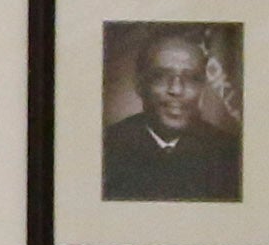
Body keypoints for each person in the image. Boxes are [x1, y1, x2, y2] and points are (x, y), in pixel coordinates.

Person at [100, 28, 242, 203]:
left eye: (191, 78)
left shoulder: (231, 153)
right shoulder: (105, 147)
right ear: (140, 84)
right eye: (161, 76)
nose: (176, 89)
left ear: (202, 87)